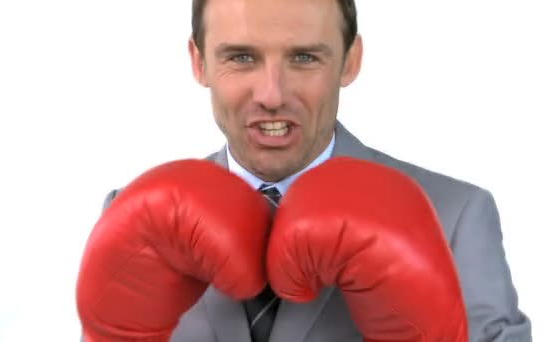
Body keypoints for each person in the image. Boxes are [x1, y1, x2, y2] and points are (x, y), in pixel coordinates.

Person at [75, 0, 532, 341]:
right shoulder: (131, 214)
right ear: (199, 62)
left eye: (304, 57)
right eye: (241, 57)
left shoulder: (454, 214)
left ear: (350, 60)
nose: (272, 94)